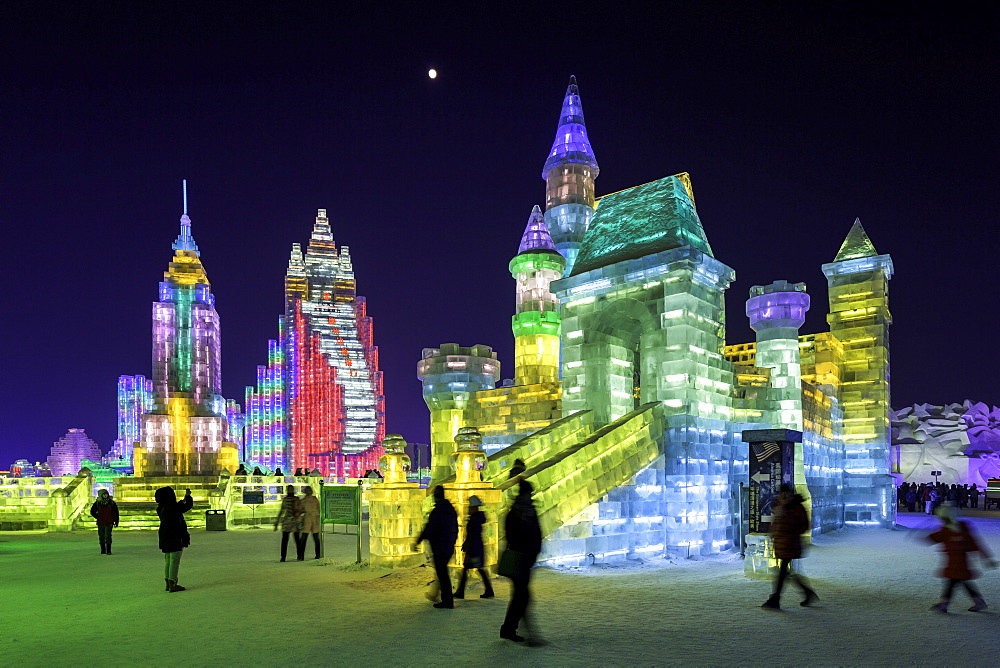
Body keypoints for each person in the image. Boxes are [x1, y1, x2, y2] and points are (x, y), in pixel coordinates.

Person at [926, 503, 996, 612]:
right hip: (956, 561)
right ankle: (977, 601)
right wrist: (987, 558)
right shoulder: (956, 528)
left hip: (958, 562)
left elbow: (932, 539)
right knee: (959, 580)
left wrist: (987, 558)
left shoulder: (950, 530)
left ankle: (945, 603)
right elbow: (976, 544)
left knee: (954, 579)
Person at [761, 484, 818, 610]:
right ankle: (808, 593)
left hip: (790, 543)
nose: (783, 496)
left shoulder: (796, 507)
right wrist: (774, 534)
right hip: (781, 543)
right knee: (786, 572)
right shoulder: (779, 506)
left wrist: (789, 531)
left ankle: (775, 599)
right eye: (781, 493)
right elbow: (776, 524)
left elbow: (804, 525)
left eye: (785, 493)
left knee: (783, 571)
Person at [500, 480, 543, 644]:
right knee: (522, 596)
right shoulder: (521, 513)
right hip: (519, 559)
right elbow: (516, 536)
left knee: (520, 596)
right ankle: (521, 632)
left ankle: (509, 629)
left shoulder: (521, 512)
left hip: (525, 559)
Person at [413, 485, 459, 609]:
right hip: (448, 546)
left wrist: (418, 541)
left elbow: (429, 528)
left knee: (442, 574)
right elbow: (455, 528)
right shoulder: (450, 510)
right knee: (442, 573)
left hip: (440, 547)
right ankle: (439, 596)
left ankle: (447, 600)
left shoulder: (438, 511)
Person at [455, 495, 494, 600]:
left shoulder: (474, 520)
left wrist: (468, 545)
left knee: (470, 568)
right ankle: (488, 590)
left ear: (474, 508)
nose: (468, 509)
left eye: (469, 507)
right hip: (475, 547)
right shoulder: (476, 519)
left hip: (474, 548)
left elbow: (473, 535)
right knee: (476, 568)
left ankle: (461, 591)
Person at [155, 486, 193, 592]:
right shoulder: (172, 508)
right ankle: (173, 583)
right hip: (174, 536)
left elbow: (180, 506)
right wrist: (188, 497)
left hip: (165, 536)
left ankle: (168, 582)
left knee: (168, 559)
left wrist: (185, 498)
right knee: (174, 560)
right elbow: (186, 506)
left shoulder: (162, 508)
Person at [274, 485, 302, 562]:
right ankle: (283, 556)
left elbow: (300, 510)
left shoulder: (296, 499)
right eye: (289, 489)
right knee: (285, 540)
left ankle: (299, 555)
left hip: (294, 521)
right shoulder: (286, 500)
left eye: (291, 489)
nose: (290, 490)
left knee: (297, 539)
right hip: (287, 521)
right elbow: (282, 510)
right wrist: (277, 521)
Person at [89, 489, 119, 555]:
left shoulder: (111, 503)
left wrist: (116, 521)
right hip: (101, 522)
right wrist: (98, 517)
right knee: (101, 536)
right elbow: (92, 511)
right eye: (104, 494)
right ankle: (103, 550)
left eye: (106, 494)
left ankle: (108, 550)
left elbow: (116, 512)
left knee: (108, 536)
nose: (105, 496)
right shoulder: (98, 503)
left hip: (109, 522)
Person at [297, 485, 321, 560]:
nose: (308, 492)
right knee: (304, 538)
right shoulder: (303, 500)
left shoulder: (315, 499)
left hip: (314, 519)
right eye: (307, 490)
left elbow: (318, 508)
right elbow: (300, 510)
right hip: (307, 519)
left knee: (316, 538)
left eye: (309, 490)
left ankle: (318, 554)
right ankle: (301, 555)